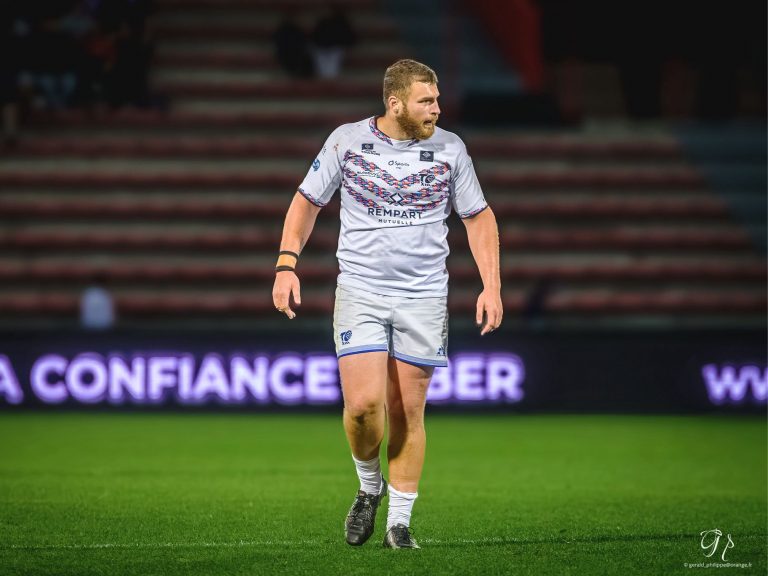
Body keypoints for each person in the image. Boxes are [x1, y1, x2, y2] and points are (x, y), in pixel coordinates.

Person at [272, 59, 502, 549]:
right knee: (362, 407)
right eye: (426, 101)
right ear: (395, 104)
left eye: (437, 100)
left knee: (406, 411)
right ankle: (368, 486)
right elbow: (306, 201)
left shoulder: (451, 149)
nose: (436, 109)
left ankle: (399, 524)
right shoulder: (347, 141)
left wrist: (492, 285)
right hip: (362, 290)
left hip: (424, 296)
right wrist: (286, 264)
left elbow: (478, 217)